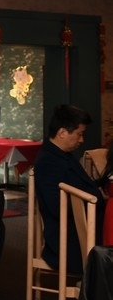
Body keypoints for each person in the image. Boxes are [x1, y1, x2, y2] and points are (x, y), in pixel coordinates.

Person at [33, 104, 107, 274]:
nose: (82, 140)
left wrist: (98, 188)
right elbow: (56, 206)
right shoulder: (48, 162)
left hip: (83, 229)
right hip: (70, 240)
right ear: (62, 133)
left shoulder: (61, 155)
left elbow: (79, 186)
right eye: (79, 134)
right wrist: (94, 198)